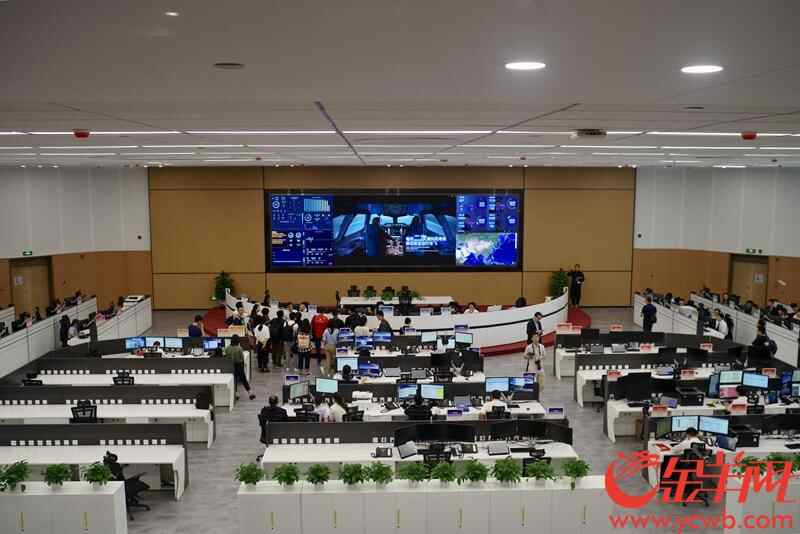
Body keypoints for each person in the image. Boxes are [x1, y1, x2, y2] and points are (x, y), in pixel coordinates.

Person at [224, 335, 255, 400]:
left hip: (231, 365)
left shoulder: (227, 348)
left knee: (234, 380)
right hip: (239, 365)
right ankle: (250, 393)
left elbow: (226, 357)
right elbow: (242, 358)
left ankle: (236, 394)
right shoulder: (239, 348)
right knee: (243, 379)